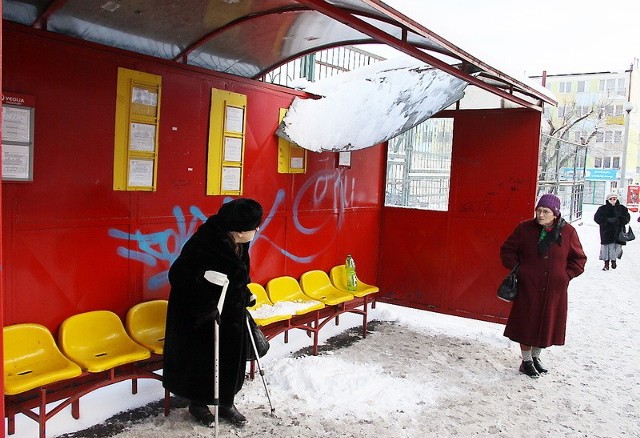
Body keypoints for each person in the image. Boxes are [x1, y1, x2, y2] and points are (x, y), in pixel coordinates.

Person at [163, 198, 263, 427]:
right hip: (202, 314)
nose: (257, 229)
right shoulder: (204, 243)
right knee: (204, 360)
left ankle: (226, 402)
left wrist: (244, 292)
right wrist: (205, 305)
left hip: (231, 313)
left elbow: (238, 275)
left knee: (230, 359)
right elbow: (179, 276)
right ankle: (198, 404)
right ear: (239, 229)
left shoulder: (239, 241)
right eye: (254, 226)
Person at [500, 193, 587, 378]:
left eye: (545, 211)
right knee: (527, 324)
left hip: (554, 290)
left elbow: (579, 259)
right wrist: (521, 270)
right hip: (528, 287)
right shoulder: (524, 229)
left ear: (555, 213)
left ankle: (536, 357)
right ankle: (526, 361)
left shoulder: (568, 232)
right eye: (538, 210)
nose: (540, 215)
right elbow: (507, 250)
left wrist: (565, 276)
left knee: (546, 324)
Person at [593, 192, 630, 270]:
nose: (613, 200)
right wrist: (606, 221)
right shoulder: (602, 209)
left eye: (614, 199)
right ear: (608, 200)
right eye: (611, 199)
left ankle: (614, 260)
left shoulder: (622, 208)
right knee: (606, 248)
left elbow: (627, 217)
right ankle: (606, 264)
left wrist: (619, 220)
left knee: (617, 247)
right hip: (606, 231)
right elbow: (597, 218)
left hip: (618, 231)